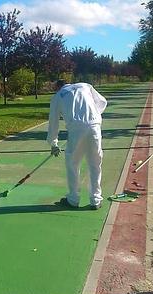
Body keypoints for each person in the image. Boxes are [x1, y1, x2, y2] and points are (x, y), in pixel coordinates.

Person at [47, 80, 108, 210]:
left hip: (76, 130)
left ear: (58, 87)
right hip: (94, 127)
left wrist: (54, 143)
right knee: (95, 163)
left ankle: (73, 199)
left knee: (73, 164)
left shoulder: (58, 96)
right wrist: (92, 115)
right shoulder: (85, 86)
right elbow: (102, 102)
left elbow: (53, 121)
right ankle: (96, 200)